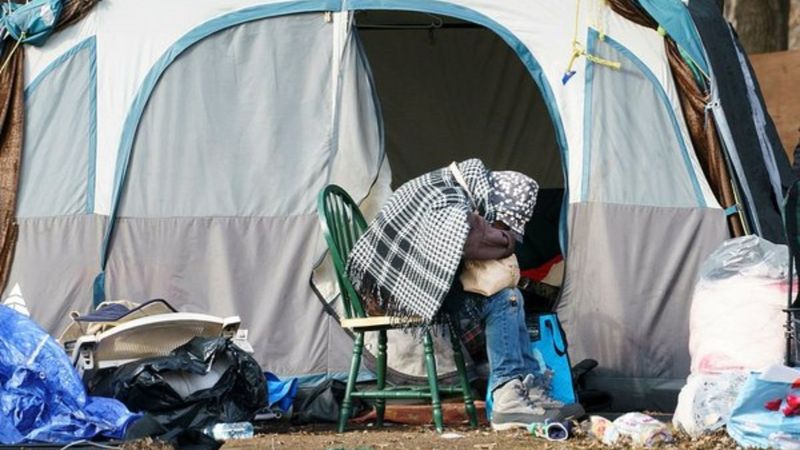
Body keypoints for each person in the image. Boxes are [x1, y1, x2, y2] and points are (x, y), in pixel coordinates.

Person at [346, 158, 584, 430]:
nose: (496, 224)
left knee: (509, 293)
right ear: (496, 198)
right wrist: (505, 241)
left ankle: (527, 389)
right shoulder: (448, 201)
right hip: (396, 297)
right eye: (500, 219)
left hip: (402, 286)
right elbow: (469, 241)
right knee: (505, 299)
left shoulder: (448, 187)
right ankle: (507, 396)